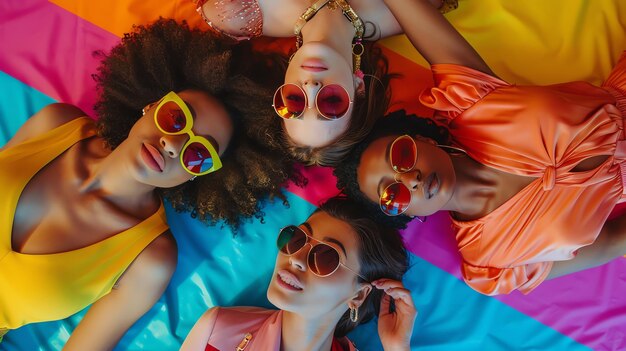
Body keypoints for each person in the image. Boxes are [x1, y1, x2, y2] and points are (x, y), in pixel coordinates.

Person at [0, 19, 299, 349]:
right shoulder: (55, 123)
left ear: (197, 176)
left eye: (197, 153)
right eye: (175, 118)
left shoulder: (149, 259)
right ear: (150, 106)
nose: (172, 144)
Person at [335, 0, 626, 296]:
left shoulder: (472, 104)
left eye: (402, 155)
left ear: (422, 140)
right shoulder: (490, 261)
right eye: (393, 195)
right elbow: (616, 241)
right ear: (405, 214)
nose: (411, 179)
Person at [193, 0, 458, 166]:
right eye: (331, 103)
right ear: (359, 87)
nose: (310, 87)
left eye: (294, 102)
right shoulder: (410, 8)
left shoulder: (235, 11)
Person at [180, 197, 416, 351]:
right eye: (297, 239)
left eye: (327, 257)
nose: (296, 258)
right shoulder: (217, 331)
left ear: (358, 295)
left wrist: (399, 348)